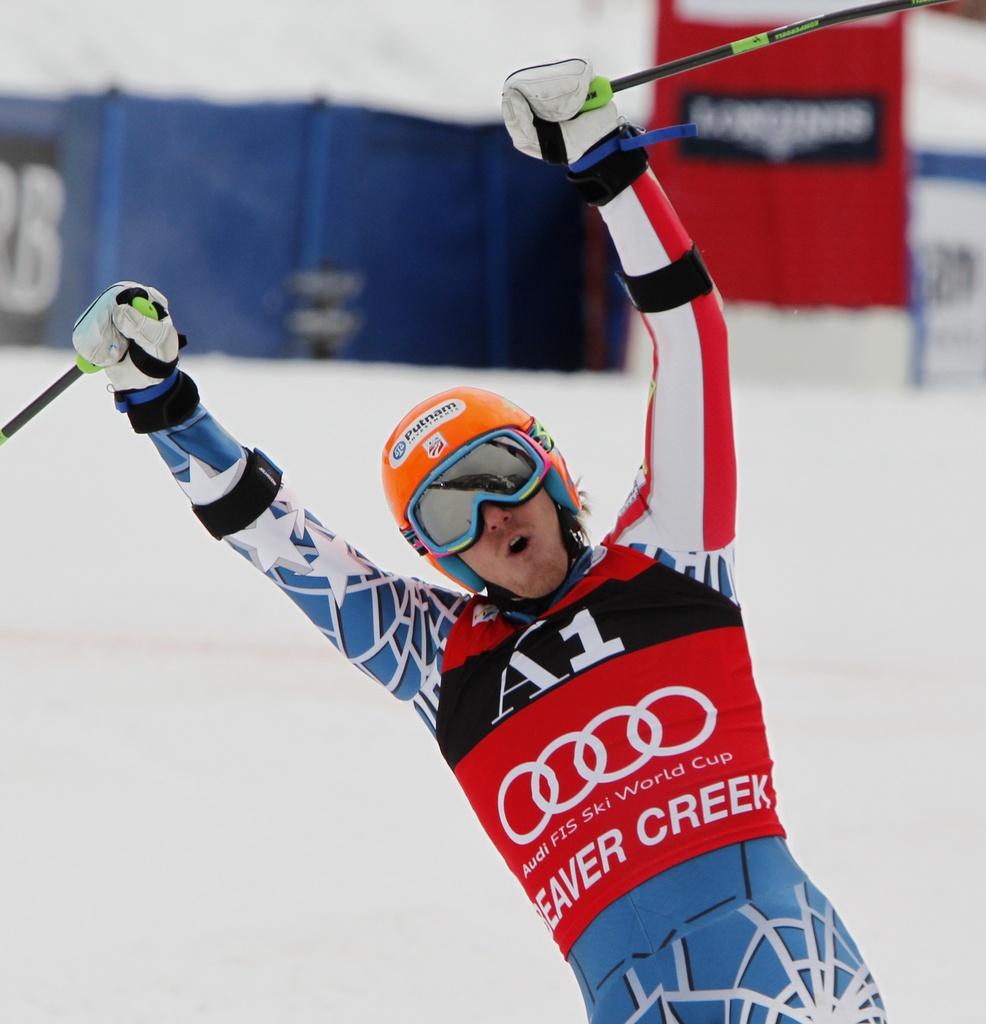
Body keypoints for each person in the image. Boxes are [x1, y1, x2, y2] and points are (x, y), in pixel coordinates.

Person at [72, 59, 887, 1024]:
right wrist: (163, 402)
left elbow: (694, 338)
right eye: (450, 513)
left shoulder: (672, 556)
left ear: (547, 470)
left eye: (497, 476)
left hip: (800, 988)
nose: (492, 518)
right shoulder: (441, 662)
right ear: (438, 559)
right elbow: (276, 539)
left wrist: (606, 166)